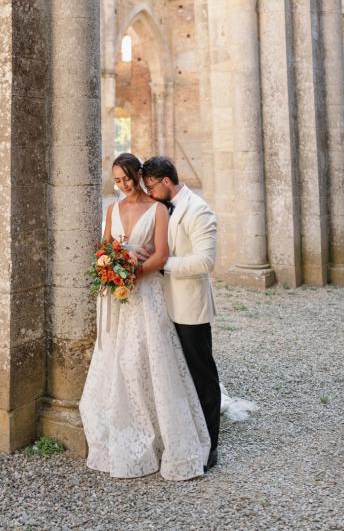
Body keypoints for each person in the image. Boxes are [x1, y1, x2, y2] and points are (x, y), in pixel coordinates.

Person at [79, 152, 211, 481]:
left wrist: (133, 275)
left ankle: (160, 431)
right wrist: (111, 269)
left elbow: (162, 254)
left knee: (147, 358)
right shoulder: (113, 209)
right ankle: (125, 426)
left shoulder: (157, 210)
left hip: (145, 292)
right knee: (120, 360)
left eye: (127, 178)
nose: (122, 185)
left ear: (139, 175)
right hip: (118, 298)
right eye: (117, 181)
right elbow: (105, 247)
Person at [140, 156, 221, 471]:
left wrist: (164, 263)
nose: (148, 191)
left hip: (190, 308)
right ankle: (187, 432)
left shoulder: (199, 210)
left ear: (165, 181)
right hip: (165, 304)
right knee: (179, 374)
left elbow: (205, 262)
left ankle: (211, 443)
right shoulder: (161, 207)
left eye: (151, 186)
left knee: (202, 376)